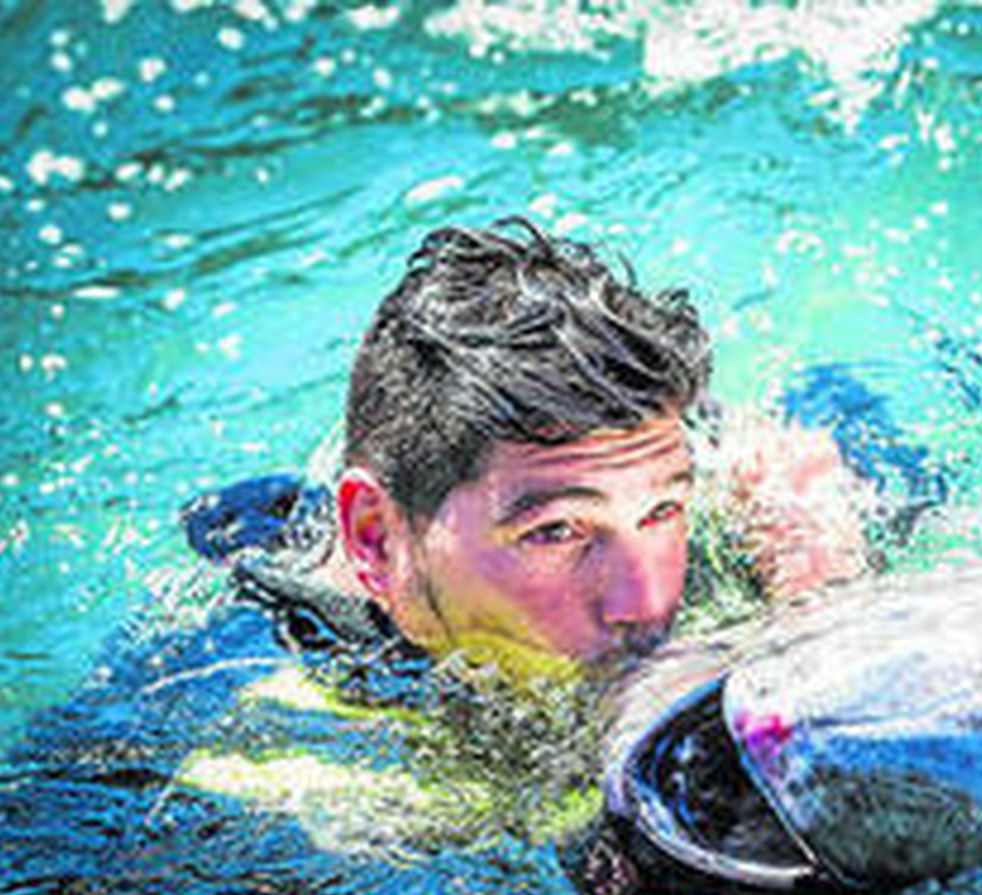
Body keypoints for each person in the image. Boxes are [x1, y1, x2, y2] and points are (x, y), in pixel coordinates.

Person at [214, 217, 874, 689]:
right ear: (375, 538)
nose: (647, 606)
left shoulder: (723, 509)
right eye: (555, 532)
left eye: (662, 511)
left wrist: (824, 591)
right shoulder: (239, 701)